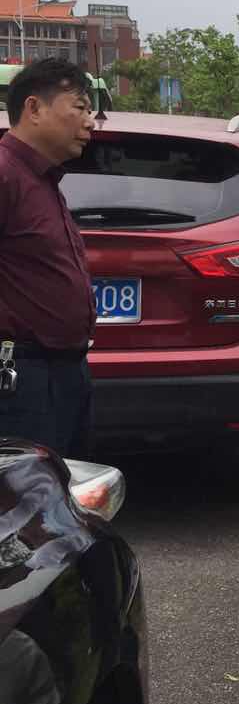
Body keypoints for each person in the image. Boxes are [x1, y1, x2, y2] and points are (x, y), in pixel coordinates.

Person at [0, 58, 96, 455]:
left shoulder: (43, 179)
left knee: (64, 485)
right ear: (34, 108)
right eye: (80, 107)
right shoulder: (5, 174)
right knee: (28, 489)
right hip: (23, 379)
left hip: (65, 372)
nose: (90, 122)